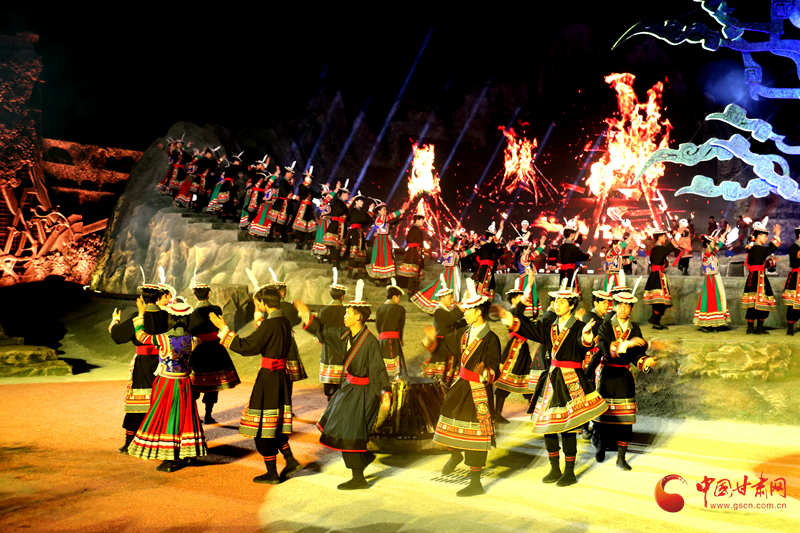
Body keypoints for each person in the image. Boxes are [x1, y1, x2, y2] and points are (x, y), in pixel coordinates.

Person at [493, 280, 606, 487]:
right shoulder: (549, 325)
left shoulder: (579, 327)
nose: (557, 304)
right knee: (547, 425)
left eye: (562, 301)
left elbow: (582, 350)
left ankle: (569, 471)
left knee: (568, 427)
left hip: (571, 379)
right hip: (552, 378)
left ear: (571, 305)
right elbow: (529, 329)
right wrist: (508, 318)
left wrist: (586, 339)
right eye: (556, 301)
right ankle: (554, 468)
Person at [295, 280, 392, 490]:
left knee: (351, 433)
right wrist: (306, 316)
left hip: (364, 393)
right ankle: (363, 458)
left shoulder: (369, 342)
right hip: (349, 388)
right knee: (342, 427)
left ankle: (358, 478)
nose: (344, 316)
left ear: (359, 317)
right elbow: (324, 331)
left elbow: (378, 369)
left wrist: (385, 392)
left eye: (348, 313)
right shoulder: (346, 334)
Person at [210, 286, 302, 484]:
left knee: (262, 425)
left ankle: (272, 473)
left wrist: (223, 329)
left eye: (258, 302)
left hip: (269, 378)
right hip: (280, 376)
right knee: (275, 422)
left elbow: (247, 346)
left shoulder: (271, 324)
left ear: (262, 302)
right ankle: (290, 460)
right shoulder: (283, 320)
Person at [422, 279, 501, 497]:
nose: (464, 313)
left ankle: (475, 482)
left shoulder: (491, 339)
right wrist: (432, 341)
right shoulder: (464, 333)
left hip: (479, 391)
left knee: (476, 433)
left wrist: (486, 373)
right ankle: (455, 453)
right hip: (460, 385)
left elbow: (495, 366)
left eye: (468, 310)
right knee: (446, 416)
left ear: (479, 312)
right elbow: (444, 346)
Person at [128, 297, 208, 472]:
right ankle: (187, 453)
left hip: (167, 383)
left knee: (166, 416)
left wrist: (141, 314)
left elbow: (141, 336)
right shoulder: (192, 339)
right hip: (184, 382)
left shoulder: (163, 339)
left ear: (170, 318)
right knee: (185, 416)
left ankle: (170, 458)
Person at [594, 287, 656, 471]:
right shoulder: (606, 325)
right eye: (619, 305)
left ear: (631, 309)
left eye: (626, 306)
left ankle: (621, 458)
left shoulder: (634, 328)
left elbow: (637, 354)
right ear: (614, 306)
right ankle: (600, 446)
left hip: (624, 377)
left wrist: (644, 361)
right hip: (607, 375)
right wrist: (626, 344)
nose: (622, 309)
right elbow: (603, 345)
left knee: (625, 420)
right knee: (603, 416)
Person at [108, 277, 170, 453]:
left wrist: (115, 321)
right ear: (158, 297)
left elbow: (118, 336)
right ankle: (161, 440)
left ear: (141, 299)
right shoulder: (168, 317)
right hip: (164, 363)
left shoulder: (137, 317)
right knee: (161, 399)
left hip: (143, 363)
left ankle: (130, 442)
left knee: (138, 402)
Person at [187, 277, 241, 424]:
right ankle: (208, 415)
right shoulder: (216, 309)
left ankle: (193, 416)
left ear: (195, 296)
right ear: (208, 294)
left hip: (200, 351)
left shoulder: (192, 314)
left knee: (195, 384)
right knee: (213, 384)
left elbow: (190, 331)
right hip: (216, 350)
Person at [493, 278, 533, 424]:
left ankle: (533, 409)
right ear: (514, 299)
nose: (522, 299)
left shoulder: (517, 313)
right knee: (507, 379)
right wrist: (529, 286)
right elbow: (521, 308)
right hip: (515, 350)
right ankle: (497, 413)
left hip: (523, 350)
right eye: (519, 297)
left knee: (527, 379)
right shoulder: (513, 312)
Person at [421, 278, 466, 385]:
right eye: (450, 298)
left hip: (448, 349)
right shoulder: (439, 312)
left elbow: (457, 322)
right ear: (443, 298)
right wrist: (464, 303)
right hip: (441, 349)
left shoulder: (445, 311)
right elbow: (451, 318)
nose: (452, 300)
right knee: (438, 380)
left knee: (447, 379)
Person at [742, 220, 782, 334]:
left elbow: (761, 263)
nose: (766, 239)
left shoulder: (756, 249)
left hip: (760, 277)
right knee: (753, 303)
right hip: (756, 278)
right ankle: (751, 328)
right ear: (758, 237)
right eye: (765, 236)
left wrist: (771, 262)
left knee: (763, 301)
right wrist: (777, 235)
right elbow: (770, 248)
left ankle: (759, 327)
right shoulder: (756, 249)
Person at [317, 268, 349, 401]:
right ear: (342, 296)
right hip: (343, 346)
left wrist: (322, 340)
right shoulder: (347, 311)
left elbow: (318, 331)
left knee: (329, 372)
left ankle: (330, 398)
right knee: (343, 374)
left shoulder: (323, 311)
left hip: (328, 347)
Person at [693, 229, 731, 332]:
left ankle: (715, 323)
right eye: (711, 243)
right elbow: (712, 247)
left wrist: (725, 233)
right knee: (710, 300)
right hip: (710, 280)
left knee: (717, 299)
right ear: (707, 244)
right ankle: (707, 323)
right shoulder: (706, 254)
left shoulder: (712, 254)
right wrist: (714, 240)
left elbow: (719, 244)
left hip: (715, 279)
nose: (713, 245)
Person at [643, 228, 680, 329]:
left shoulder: (656, 249)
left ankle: (656, 322)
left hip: (657, 275)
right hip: (657, 276)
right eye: (664, 237)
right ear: (659, 238)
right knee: (661, 300)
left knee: (659, 300)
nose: (665, 238)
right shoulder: (658, 248)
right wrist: (678, 234)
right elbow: (669, 248)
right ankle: (654, 319)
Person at [366, 198, 408, 281]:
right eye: (384, 210)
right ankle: (380, 278)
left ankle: (383, 278)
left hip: (384, 240)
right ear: (379, 211)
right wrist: (402, 210)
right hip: (380, 241)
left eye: (386, 209)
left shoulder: (383, 221)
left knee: (385, 258)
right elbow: (390, 216)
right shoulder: (380, 218)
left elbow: (390, 226)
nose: (386, 211)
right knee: (381, 258)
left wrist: (398, 222)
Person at [376, 281, 406, 379]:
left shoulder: (380, 309)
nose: (399, 300)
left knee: (383, 360)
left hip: (382, 340)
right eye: (399, 297)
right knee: (394, 362)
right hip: (394, 341)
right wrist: (400, 339)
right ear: (394, 297)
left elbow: (378, 326)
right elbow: (401, 326)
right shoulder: (400, 309)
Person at [558, 222, 596, 298]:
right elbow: (581, 256)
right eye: (575, 234)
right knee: (570, 292)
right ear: (572, 235)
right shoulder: (572, 247)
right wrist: (590, 253)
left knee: (563, 289)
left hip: (563, 272)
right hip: (569, 273)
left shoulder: (562, 246)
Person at [342, 192, 374, 280]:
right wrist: (370, 211)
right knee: (353, 252)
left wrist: (371, 216)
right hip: (355, 234)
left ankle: (359, 274)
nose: (362, 203)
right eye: (360, 201)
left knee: (361, 253)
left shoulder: (359, 212)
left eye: (362, 201)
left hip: (359, 234)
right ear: (356, 202)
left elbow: (365, 220)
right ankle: (350, 273)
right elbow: (363, 218)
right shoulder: (354, 211)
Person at [267, 161, 299, 242]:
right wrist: (294, 197)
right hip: (282, 205)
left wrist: (295, 199)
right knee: (279, 221)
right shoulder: (282, 182)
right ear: (287, 173)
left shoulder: (289, 183)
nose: (292, 175)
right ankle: (275, 238)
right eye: (291, 173)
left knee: (288, 222)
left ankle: (288, 239)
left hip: (288, 205)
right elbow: (284, 192)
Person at [473, 220, 505, 299]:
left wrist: (508, 246)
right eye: (493, 236)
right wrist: (501, 229)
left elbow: (498, 252)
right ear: (491, 237)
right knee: (485, 286)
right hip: (486, 269)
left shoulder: (486, 247)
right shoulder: (488, 246)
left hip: (484, 268)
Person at [397, 214, 427, 297]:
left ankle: (413, 292)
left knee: (414, 273)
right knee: (413, 273)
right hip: (414, 253)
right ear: (417, 220)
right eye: (422, 220)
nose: (423, 222)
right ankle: (411, 293)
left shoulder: (413, 229)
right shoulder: (416, 229)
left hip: (414, 251)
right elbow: (419, 242)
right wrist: (422, 249)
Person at [291, 168, 321, 250]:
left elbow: (317, 195)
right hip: (303, 209)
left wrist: (325, 191)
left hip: (309, 210)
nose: (310, 180)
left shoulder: (310, 190)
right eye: (309, 179)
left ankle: (308, 244)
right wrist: (307, 179)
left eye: (310, 179)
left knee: (310, 226)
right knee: (301, 226)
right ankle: (298, 244)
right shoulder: (301, 186)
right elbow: (303, 191)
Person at [322, 185, 351, 269]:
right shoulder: (338, 202)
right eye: (347, 194)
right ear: (343, 194)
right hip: (336, 226)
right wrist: (349, 204)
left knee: (339, 246)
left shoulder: (343, 204)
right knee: (334, 245)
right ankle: (334, 265)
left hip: (341, 226)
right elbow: (341, 210)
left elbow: (347, 217)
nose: (349, 196)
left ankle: (337, 264)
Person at [783, 226, 800, 336]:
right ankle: (790, 328)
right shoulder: (794, 247)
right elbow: (797, 255)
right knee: (793, 303)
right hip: (796, 277)